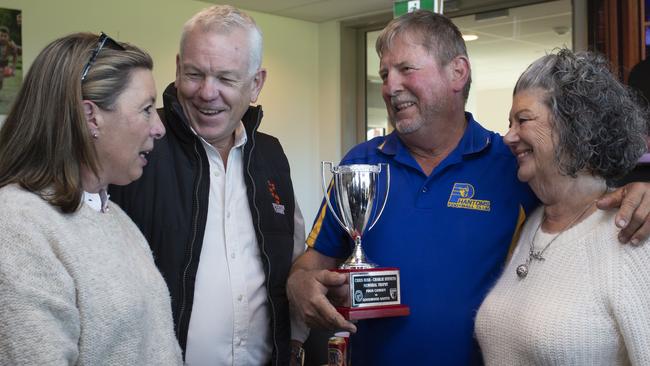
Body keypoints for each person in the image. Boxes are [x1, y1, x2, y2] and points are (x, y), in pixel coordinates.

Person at [287, 11, 650, 365]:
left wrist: (641, 191)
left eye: (406, 69)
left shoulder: (512, 166)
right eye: (384, 74)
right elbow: (313, 260)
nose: (390, 87)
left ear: (458, 72)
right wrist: (299, 284)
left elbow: (583, 194)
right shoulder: (360, 164)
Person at [109, 5, 308, 366]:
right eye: (194, 74)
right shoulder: (139, 147)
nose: (207, 92)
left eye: (226, 79)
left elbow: (291, 260)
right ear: (177, 68)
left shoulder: (272, 155)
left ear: (256, 83)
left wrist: (295, 342)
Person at [0, 32, 181, 365]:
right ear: (90, 116)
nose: (159, 127)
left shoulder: (116, 219)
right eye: (145, 110)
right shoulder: (16, 226)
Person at [475, 49, 650, 365]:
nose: (508, 137)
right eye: (509, 122)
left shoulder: (632, 233)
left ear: (575, 127)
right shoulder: (529, 224)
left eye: (523, 120)